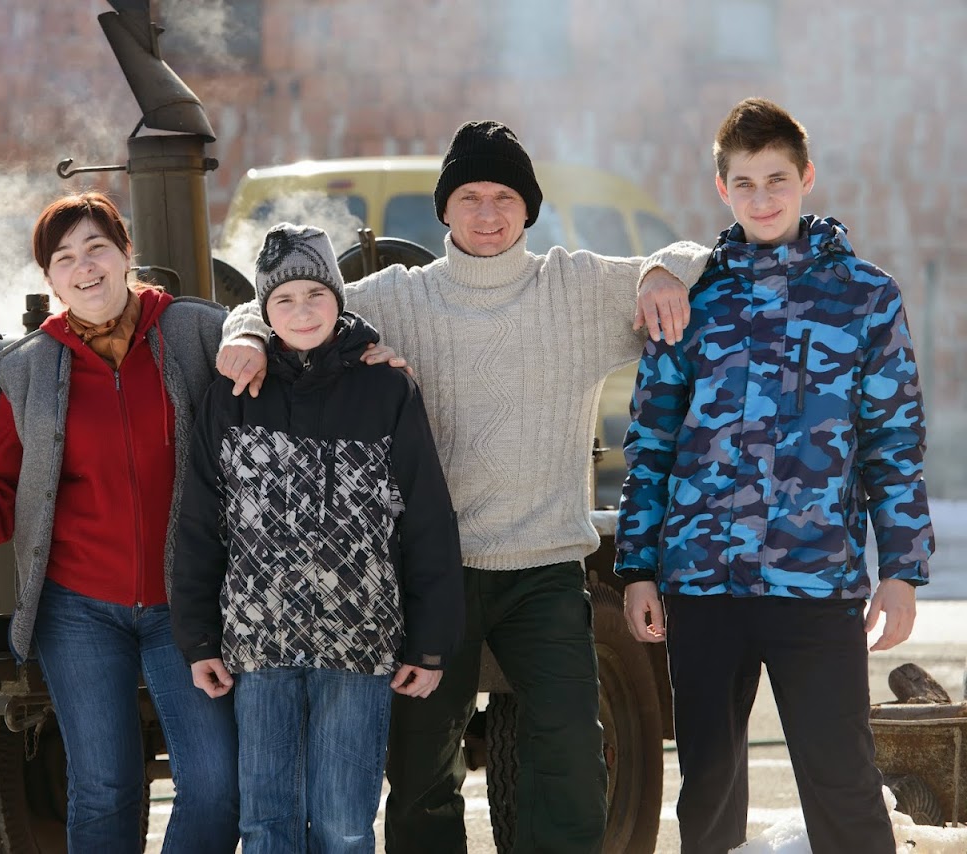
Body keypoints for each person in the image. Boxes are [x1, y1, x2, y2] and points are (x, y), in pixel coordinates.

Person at [217, 120, 712, 853]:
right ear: (444, 208)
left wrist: (663, 270)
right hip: (432, 574)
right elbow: (286, 304)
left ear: (528, 209)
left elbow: (702, 257)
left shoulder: (575, 287)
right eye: (470, 197)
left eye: (505, 197)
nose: (487, 213)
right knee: (421, 769)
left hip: (545, 568)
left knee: (571, 755)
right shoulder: (396, 298)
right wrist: (246, 335)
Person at [615, 97, 935, 854]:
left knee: (843, 781)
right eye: (746, 183)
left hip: (816, 581)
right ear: (722, 188)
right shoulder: (690, 297)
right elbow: (651, 441)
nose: (762, 198)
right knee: (708, 789)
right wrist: (637, 568)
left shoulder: (866, 297)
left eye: (777, 179)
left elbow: (893, 442)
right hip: (704, 582)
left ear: (807, 178)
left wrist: (902, 571)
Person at [0, 190, 243, 852]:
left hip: (186, 603)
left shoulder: (196, 331)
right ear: (50, 278)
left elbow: (287, 336)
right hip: (79, 610)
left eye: (97, 248)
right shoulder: (31, 367)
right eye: (65, 258)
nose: (85, 267)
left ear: (128, 253)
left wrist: (355, 351)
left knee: (216, 783)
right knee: (104, 788)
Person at [171, 223, 465, 853]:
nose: (301, 311)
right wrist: (197, 638)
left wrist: (430, 643)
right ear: (264, 309)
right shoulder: (231, 398)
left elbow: (427, 521)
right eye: (283, 299)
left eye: (315, 295)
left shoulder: (386, 389)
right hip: (259, 646)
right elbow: (199, 524)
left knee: (344, 824)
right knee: (267, 823)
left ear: (338, 298)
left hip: (359, 642)